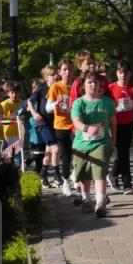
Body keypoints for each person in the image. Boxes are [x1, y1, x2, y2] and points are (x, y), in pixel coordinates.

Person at [70, 70, 117, 218]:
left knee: (99, 172)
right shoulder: (79, 103)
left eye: (96, 82)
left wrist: (113, 139)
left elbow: (113, 121)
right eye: (89, 82)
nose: (93, 85)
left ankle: (100, 203)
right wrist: (87, 129)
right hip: (81, 145)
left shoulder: (107, 102)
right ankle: (86, 199)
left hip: (101, 143)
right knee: (84, 175)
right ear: (83, 85)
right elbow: (76, 122)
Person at [46, 58, 75, 199]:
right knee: (66, 155)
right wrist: (55, 104)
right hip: (61, 125)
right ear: (59, 72)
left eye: (70, 69)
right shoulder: (56, 87)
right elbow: (47, 108)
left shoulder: (77, 85)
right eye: (64, 69)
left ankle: (75, 176)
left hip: (76, 124)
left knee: (80, 152)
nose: (67, 72)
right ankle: (66, 183)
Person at [108, 59, 133, 194]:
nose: (123, 76)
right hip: (115, 125)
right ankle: (127, 183)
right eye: (120, 73)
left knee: (123, 153)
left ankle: (113, 175)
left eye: (125, 73)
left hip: (128, 125)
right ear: (116, 73)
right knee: (123, 154)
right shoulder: (111, 88)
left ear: (130, 74)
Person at [29, 66, 59, 187]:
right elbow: (30, 101)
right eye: (52, 75)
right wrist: (34, 113)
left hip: (55, 122)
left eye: (56, 74)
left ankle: (43, 174)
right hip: (43, 123)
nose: (55, 76)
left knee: (49, 151)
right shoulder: (41, 89)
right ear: (46, 77)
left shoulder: (58, 87)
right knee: (55, 148)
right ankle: (57, 176)